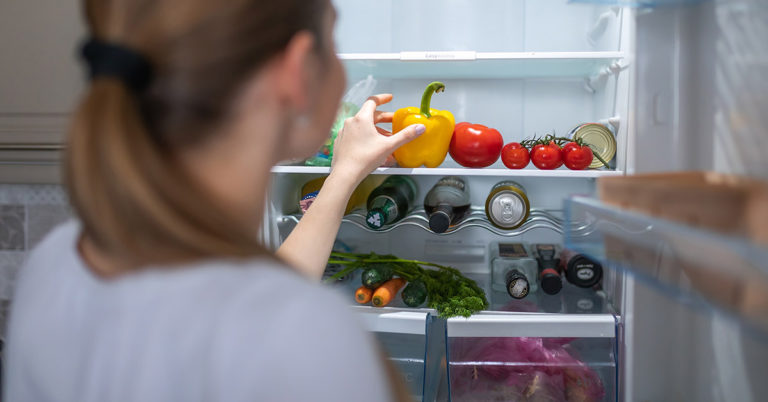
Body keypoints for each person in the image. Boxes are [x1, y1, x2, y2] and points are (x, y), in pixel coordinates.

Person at [3, 0, 426, 401]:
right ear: (297, 71)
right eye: (332, 38)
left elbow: (257, 299)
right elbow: (267, 314)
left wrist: (343, 174)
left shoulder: (53, 264)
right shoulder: (308, 336)